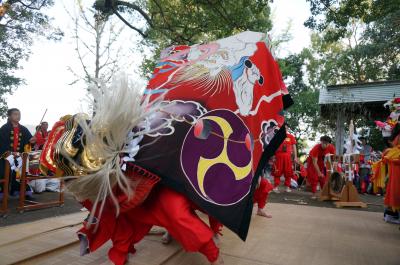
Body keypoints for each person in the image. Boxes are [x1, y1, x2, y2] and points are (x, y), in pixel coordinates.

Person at [0, 108, 36, 196]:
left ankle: (18, 190)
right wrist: (11, 153)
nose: (18, 116)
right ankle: (2, 192)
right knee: (3, 173)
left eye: (19, 114)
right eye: (15, 114)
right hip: (6, 156)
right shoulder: (4, 128)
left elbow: (29, 142)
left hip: (20, 156)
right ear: (9, 116)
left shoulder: (23, 129)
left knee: (21, 173)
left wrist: (31, 141)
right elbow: (2, 143)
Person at [382, 123, 400, 221]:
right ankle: (391, 215)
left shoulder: (396, 134)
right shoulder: (397, 136)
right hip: (395, 167)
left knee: (393, 190)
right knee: (395, 191)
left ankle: (391, 214)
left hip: (393, 168)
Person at [272, 126, 297, 193]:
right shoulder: (277, 136)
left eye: (286, 128)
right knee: (277, 172)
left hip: (288, 157)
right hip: (278, 156)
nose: (285, 129)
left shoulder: (291, 136)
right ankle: (275, 187)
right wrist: (273, 156)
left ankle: (287, 187)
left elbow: (294, 147)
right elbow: (273, 147)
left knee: (288, 172)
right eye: (283, 128)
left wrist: (295, 157)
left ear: (288, 129)